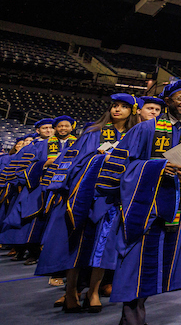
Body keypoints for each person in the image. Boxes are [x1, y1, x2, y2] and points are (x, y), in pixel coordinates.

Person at [104, 79, 181, 325]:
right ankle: (132, 324)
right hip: (144, 208)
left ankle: (133, 320)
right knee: (133, 262)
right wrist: (157, 168)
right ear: (168, 101)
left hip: (177, 209)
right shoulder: (145, 129)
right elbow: (123, 165)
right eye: (180, 97)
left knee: (152, 265)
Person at [37, 95, 138, 311]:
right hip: (85, 195)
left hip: (112, 198)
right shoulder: (93, 132)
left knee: (102, 247)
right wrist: (100, 157)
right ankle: (70, 290)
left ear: (132, 111)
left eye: (123, 107)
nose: (117, 110)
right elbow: (76, 162)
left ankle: (93, 291)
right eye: (114, 105)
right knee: (76, 244)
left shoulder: (133, 135)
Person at [0, 115, 75, 262]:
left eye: (66, 126)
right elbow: (25, 166)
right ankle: (31, 251)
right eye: (58, 126)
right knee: (34, 217)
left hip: (66, 188)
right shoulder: (39, 145)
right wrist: (45, 164)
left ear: (72, 128)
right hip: (41, 185)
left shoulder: (78, 144)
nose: (62, 129)